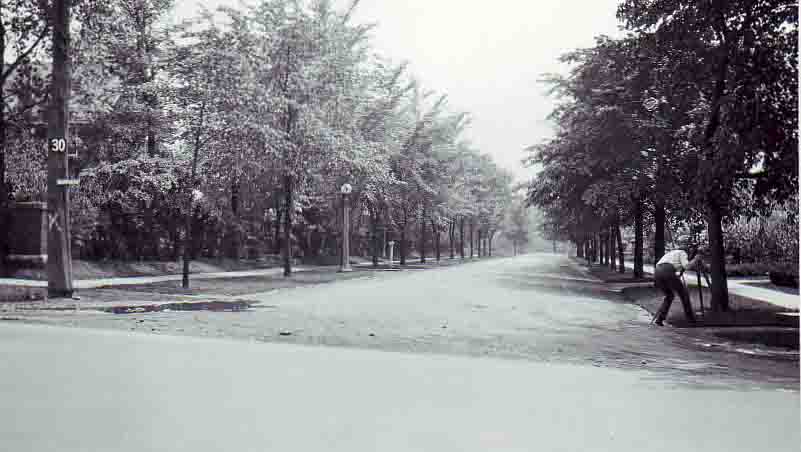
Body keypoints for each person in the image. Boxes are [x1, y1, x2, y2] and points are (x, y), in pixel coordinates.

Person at [652, 247, 705, 326]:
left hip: (657, 272)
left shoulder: (671, 253)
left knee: (669, 296)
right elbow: (687, 266)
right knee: (684, 295)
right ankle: (691, 320)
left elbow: (676, 268)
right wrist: (696, 259)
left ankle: (659, 319)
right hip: (667, 271)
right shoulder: (682, 252)